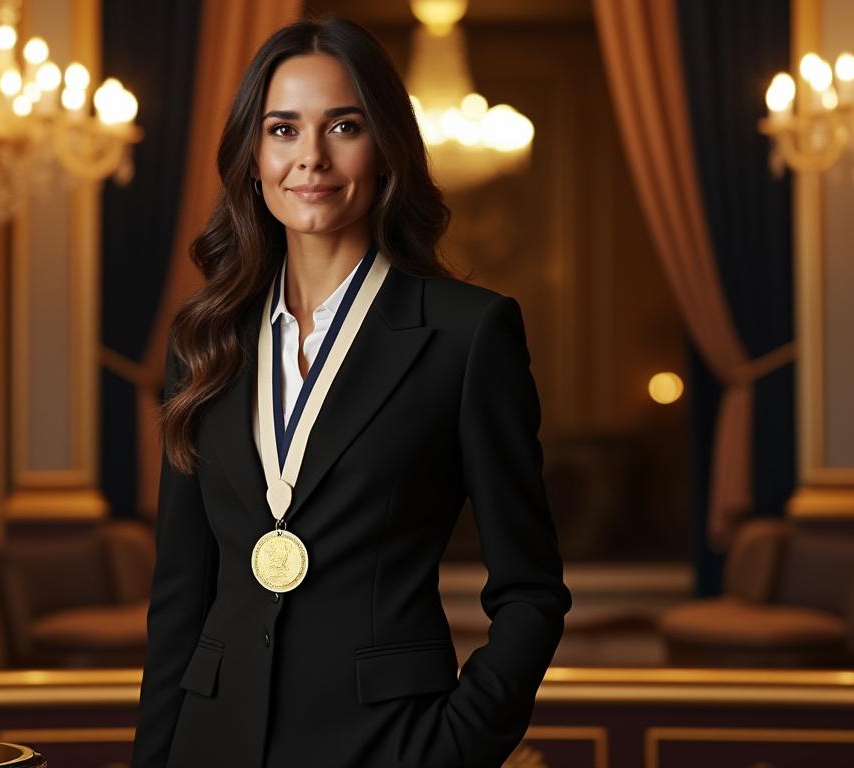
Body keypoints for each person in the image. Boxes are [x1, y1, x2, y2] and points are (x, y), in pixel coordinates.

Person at [131, 16, 570, 768]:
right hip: (213, 741)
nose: (311, 157)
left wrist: (455, 745)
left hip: (388, 743)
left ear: (386, 144)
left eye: (343, 125)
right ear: (252, 155)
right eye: (282, 129)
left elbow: (532, 592)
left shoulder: (468, 336)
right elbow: (180, 595)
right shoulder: (202, 340)